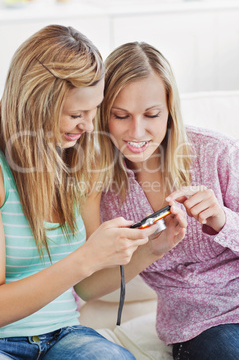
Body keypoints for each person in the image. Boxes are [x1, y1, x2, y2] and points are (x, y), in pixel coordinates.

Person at [0, 25, 185, 360]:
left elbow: (86, 287)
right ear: (36, 104)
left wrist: (149, 251)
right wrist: (84, 258)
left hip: (64, 335)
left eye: (94, 111)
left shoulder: (83, 163)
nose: (88, 126)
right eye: (76, 114)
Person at [93, 41, 239, 359]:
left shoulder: (215, 152)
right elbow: (89, 281)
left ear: (170, 110)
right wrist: (147, 250)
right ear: (103, 115)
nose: (137, 131)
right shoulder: (99, 189)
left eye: (151, 114)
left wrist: (224, 221)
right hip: (204, 325)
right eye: (121, 116)